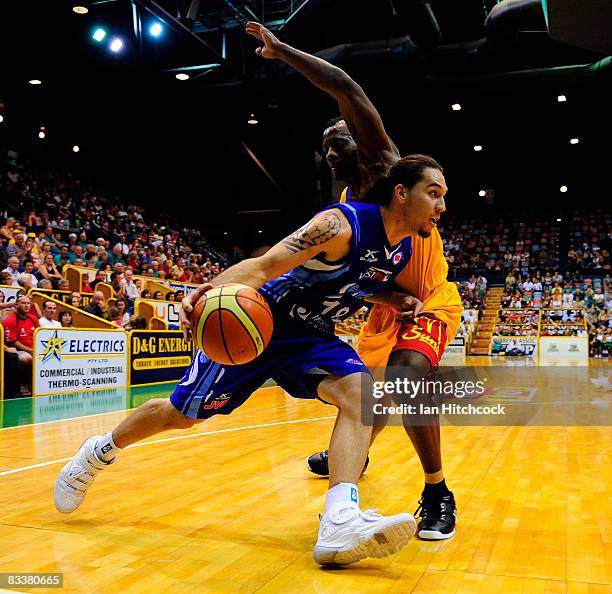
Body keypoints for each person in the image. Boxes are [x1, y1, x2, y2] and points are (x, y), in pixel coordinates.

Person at [54, 155, 446, 566]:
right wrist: (203, 292)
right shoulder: (340, 224)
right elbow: (263, 266)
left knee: (363, 396)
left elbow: (361, 284)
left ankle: (339, 521)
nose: (441, 206)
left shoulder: (402, 248)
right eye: (433, 194)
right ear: (401, 193)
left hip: (311, 336)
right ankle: (97, 452)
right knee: (181, 414)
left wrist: (394, 297)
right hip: (260, 324)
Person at [246, 21, 461, 539]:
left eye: (339, 132)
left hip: (429, 300)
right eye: (325, 142)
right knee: (368, 397)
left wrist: (283, 52)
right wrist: (381, 294)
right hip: (387, 305)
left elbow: (346, 88)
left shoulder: (386, 169)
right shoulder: (343, 210)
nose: (332, 142)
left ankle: (437, 491)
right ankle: (355, 455)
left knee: (409, 377)